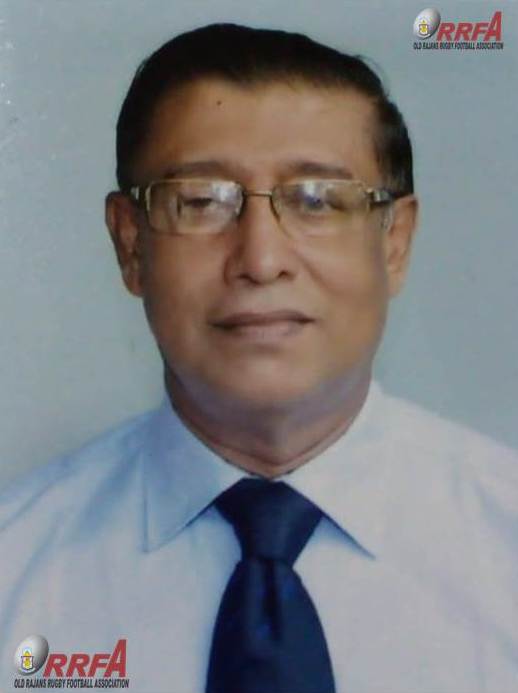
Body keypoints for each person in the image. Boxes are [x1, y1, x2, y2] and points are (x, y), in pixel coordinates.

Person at [1, 22, 517, 693]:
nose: (262, 259)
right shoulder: (16, 569)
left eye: (317, 201)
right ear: (130, 244)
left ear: (394, 242)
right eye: (200, 202)